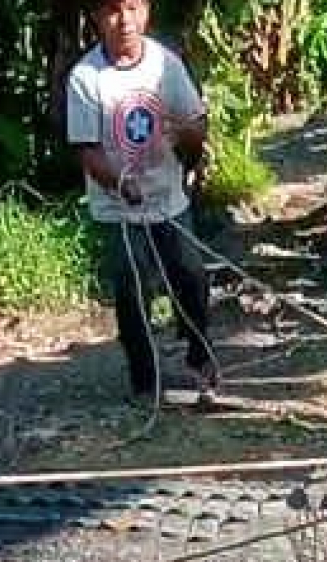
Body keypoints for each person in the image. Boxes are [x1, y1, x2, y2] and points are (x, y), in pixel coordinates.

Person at [66, 0, 218, 404]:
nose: (124, 20)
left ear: (146, 12)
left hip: (168, 200)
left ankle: (199, 358)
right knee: (132, 291)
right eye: (113, 11)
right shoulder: (86, 77)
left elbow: (197, 124)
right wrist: (118, 183)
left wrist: (190, 135)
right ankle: (145, 382)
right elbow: (87, 150)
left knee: (193, 276)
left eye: (132, 8)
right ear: (97, 18)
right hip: (118, 209)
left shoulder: (167, 65)